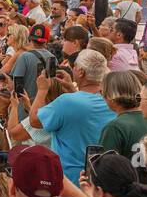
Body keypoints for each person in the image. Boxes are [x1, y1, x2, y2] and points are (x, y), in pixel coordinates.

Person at [28, 48, 115, 189]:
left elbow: (35, 121)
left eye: (74, 67)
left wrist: (42, 90)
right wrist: (73, 90)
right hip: (101, 178)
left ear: (81, 72)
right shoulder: (111, 101)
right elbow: (86, 104)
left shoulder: (67, 102)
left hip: (69, 181)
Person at [98, 70, 147, 163]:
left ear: (112, 96)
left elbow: (105, 167)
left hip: (126, 177)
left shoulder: (115, 127)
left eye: (102, 92)